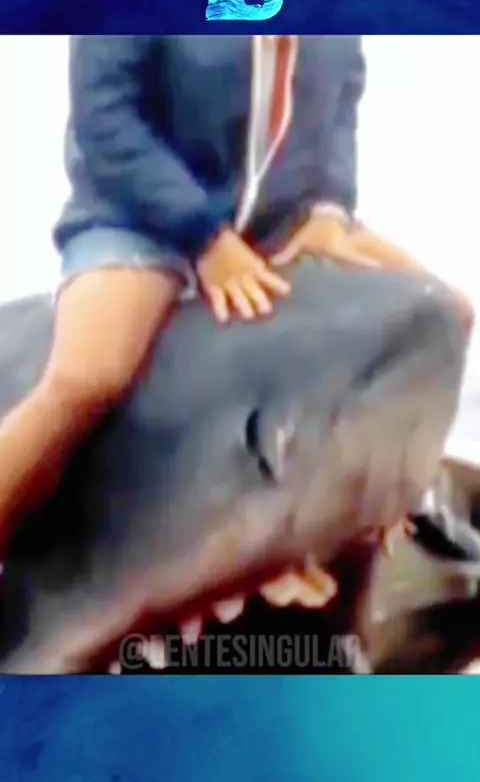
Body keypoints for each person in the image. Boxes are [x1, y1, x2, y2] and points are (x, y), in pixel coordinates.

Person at [0, 36, 472, 610]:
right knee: (87, 376)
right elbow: (108, 124)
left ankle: (396, 496)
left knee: (447, 312)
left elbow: (338, 105)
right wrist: (205, 238)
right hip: (142, 223)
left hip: (277, 223)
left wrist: (327, 209)